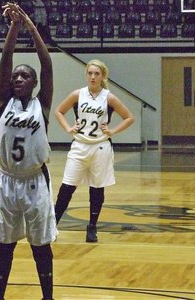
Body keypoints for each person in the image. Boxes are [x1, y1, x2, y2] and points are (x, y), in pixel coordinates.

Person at [0, 3, 56, 300]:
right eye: (15, 76)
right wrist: (13, 28)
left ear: (34, 83)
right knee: (4, 243)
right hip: (6, 180)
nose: (17, 78)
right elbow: (5, 60)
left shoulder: (42, 105)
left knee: (40, 244)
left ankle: (48, 296)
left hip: (34, 179)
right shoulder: (4, 102)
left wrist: (29, 24)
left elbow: (47, 64)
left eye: (24, 76)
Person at [54, 59, 135, 243]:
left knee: (97, 188)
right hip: (79, 145)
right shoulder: (78, 94)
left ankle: (92, 226)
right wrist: (68, 128)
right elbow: (59, 111)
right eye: (90, 73)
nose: (92, 77)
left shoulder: (109, 97)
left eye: (96, 73)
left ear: (102, 76)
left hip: (100, 146)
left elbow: (129, 117)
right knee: (67, 186)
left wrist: (113, 130)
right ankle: (52, 225)